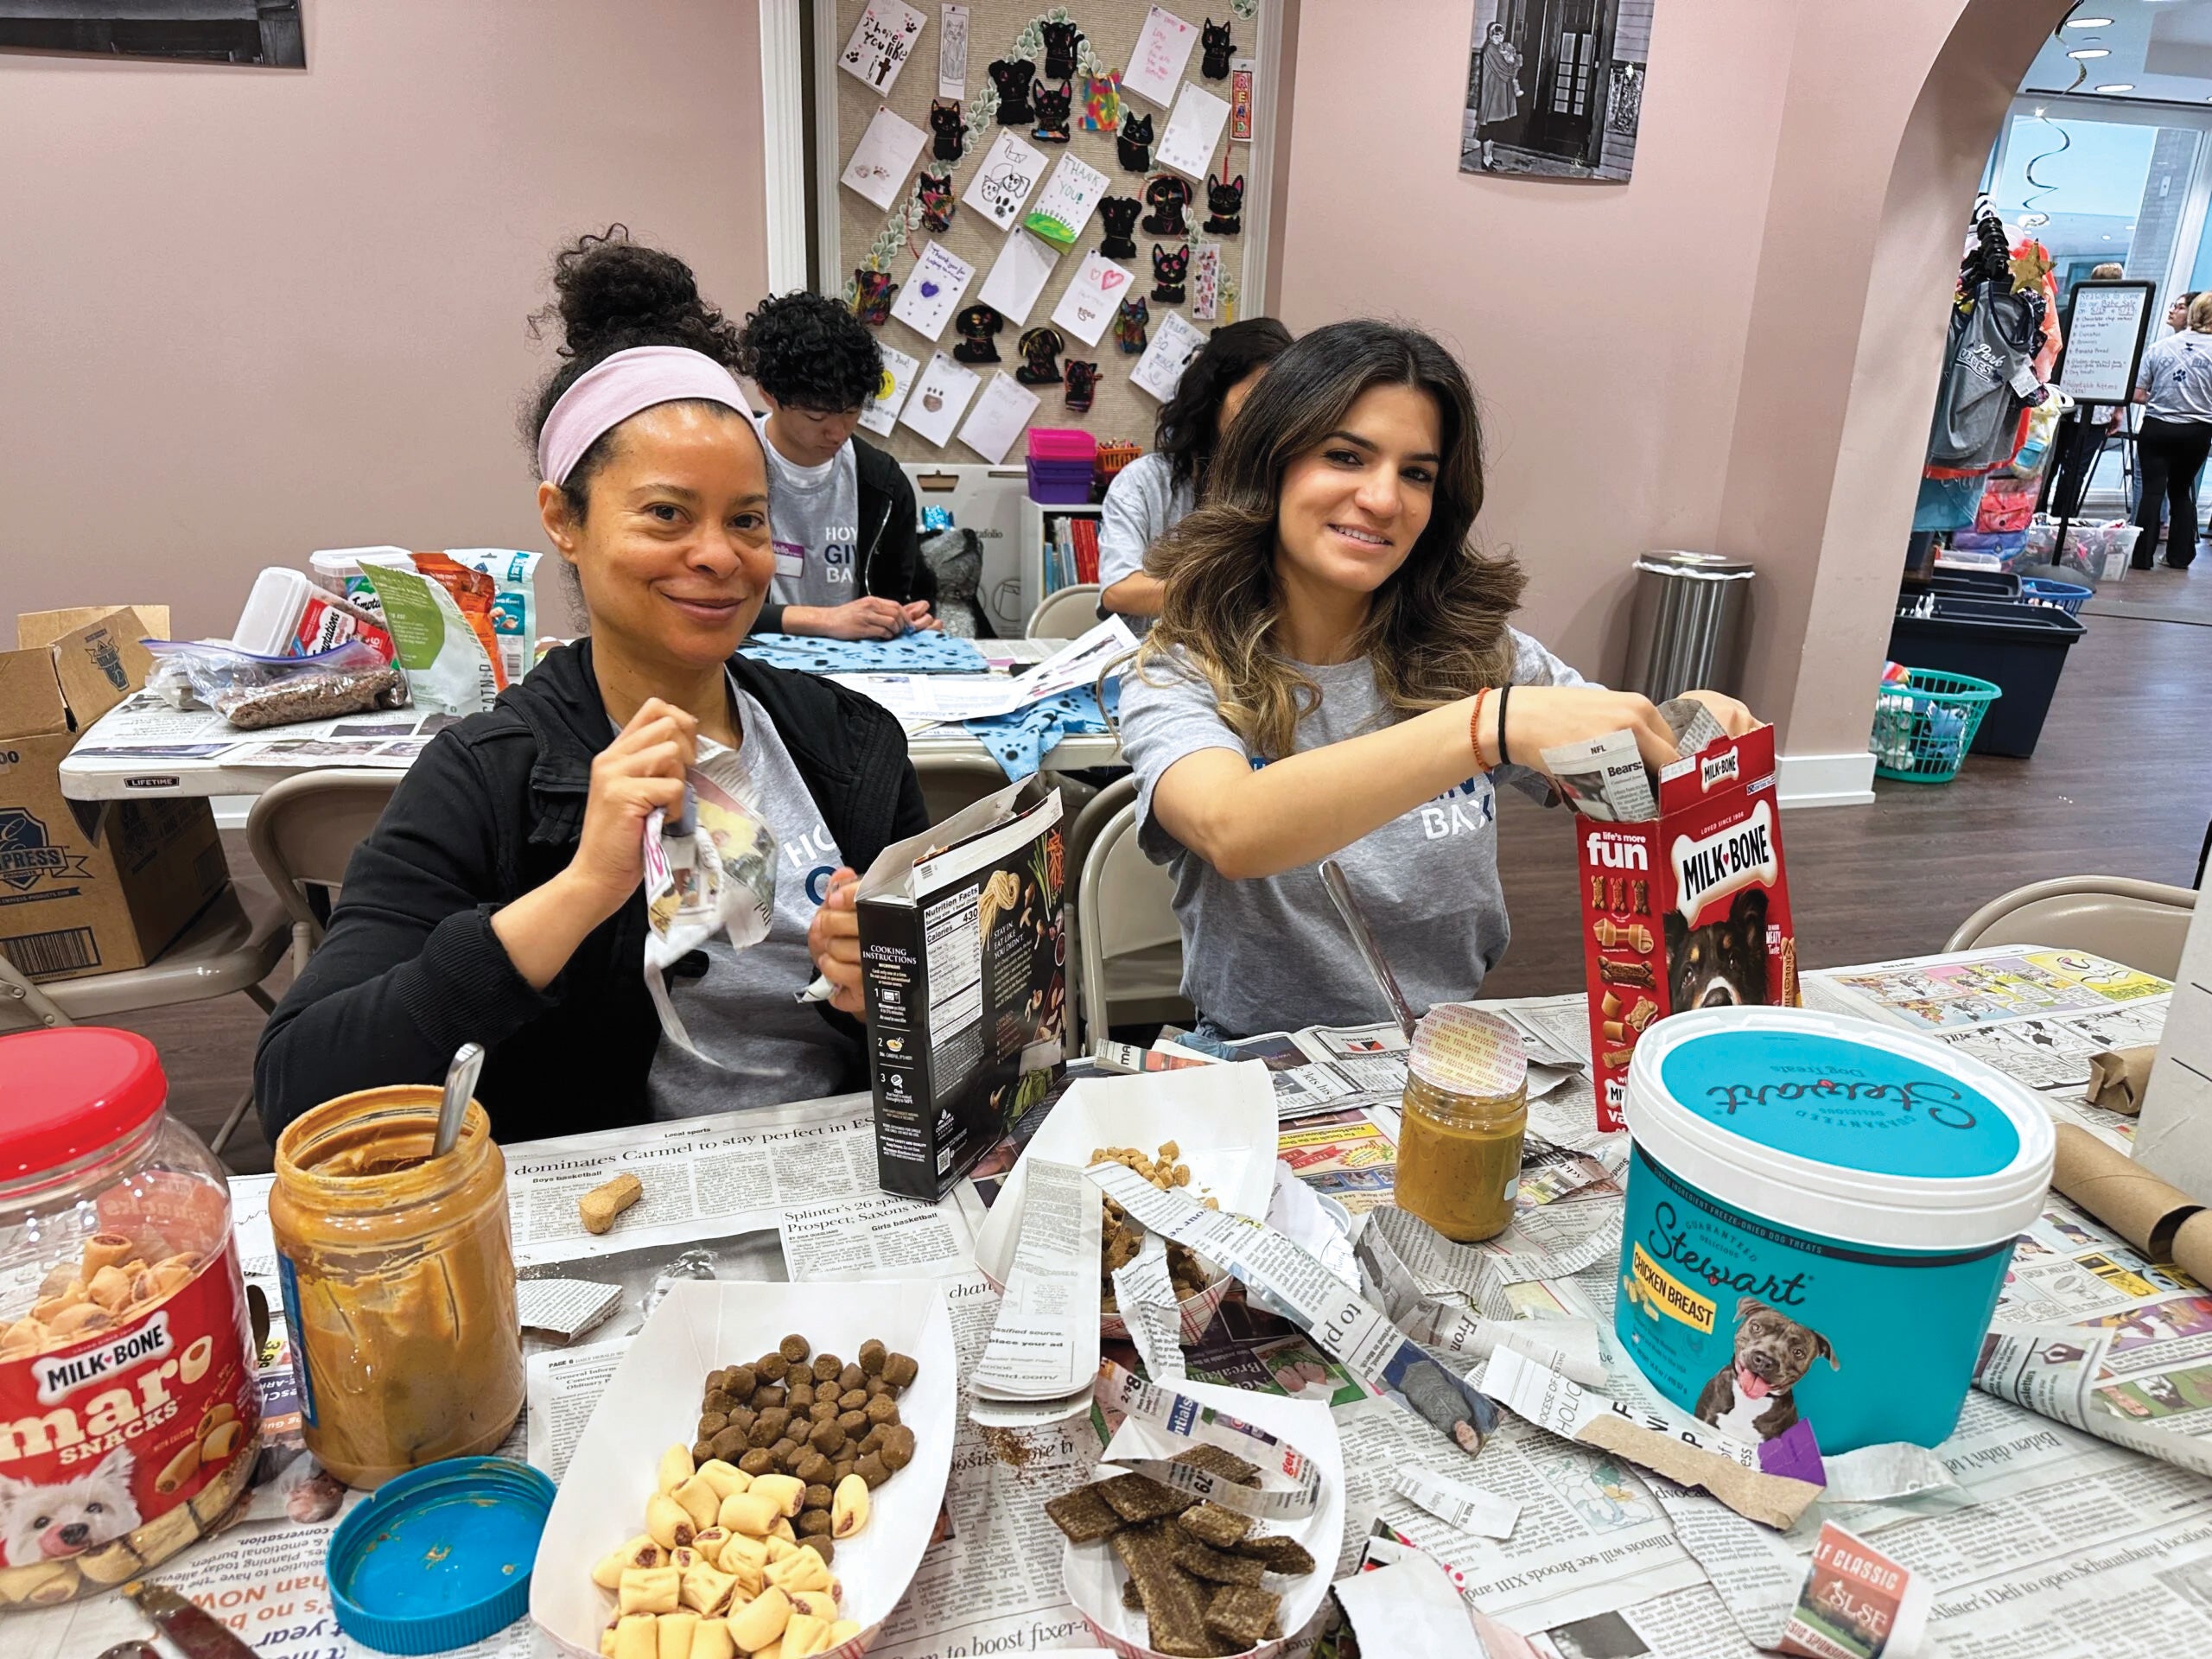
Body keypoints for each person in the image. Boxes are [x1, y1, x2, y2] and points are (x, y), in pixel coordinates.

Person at [256, 232, 926, 1141]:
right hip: (615, 1206)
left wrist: (878, 992)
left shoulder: (852, 747)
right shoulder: (491, 774)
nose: (718, 557)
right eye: (665, 514)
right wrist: (580, 889)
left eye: (747, 520)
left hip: (845, 1182)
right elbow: (300, 1083)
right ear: (562, 520)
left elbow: (956, 1036)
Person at [1119, 320, 1755, 1041]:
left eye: (1417, 473)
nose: (1385, 500)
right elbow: (1231, 828)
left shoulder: (1477, 653)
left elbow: (1629, 781)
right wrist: (1486, 728)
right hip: (1258, 1064)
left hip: (1450, 1048)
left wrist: (1692, 725)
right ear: (1271, 465)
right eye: (1345, 456)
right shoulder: (1178, 666)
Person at [734, 290, 938, 639]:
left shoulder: (883, 485)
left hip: (855, 674)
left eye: (851, 412)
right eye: (817, 416)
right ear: (769, 394)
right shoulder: (727, 466)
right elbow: (702, 606)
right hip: (750, 665)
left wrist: (909, 619)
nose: (838, 432)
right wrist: (823, 621)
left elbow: (901, 598)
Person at [1099, 319, 1294, 630]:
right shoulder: (1144, 481)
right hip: (1150, 658)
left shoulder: (1286, 483)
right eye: (1254, 402)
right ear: (1212, 396)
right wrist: (1231, 593)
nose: (1264, 420)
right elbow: (1118, 591)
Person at [2130, 289, 2212, 569]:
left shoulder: (2159, 347)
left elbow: (2138, 394)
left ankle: (2141, 557)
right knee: (2180, 490)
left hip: (2156, 427)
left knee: (2152, 490)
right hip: (2197, 431)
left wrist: (2165, 399)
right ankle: (2179, 557)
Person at [1474, 19, 1525, 171]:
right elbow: (1505, 70)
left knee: (1494, 127)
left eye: (1501, 35)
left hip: (1499, 94)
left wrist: (1514, 61)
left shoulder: (1500, 47)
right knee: (1489, 128)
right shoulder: (1491, 49)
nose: (1499, 38)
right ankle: (1485, 160)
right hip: (1492, 94)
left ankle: (1489, 157)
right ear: (1491, 36)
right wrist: (1516, 62)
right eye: (1496, 36)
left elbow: (1511, 63)